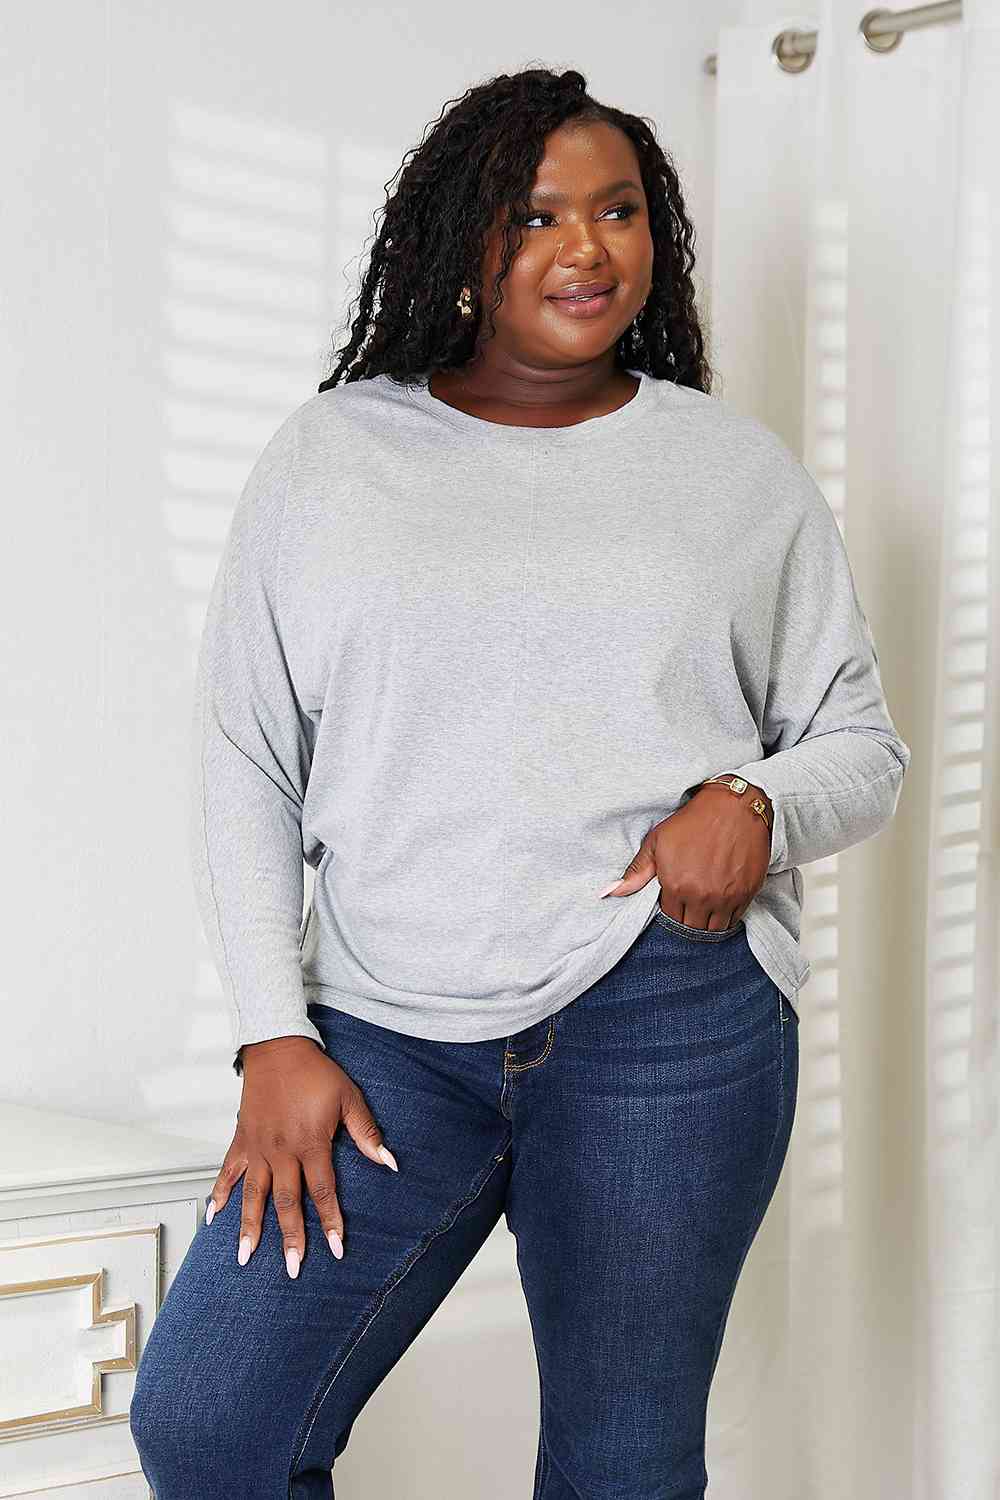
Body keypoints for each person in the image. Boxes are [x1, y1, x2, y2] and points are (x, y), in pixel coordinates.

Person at [129, 66, 910, 1499]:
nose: (586, 248)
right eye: (536, 214)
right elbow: (247, 754)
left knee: (622, 1469)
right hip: (379, 1035)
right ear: (461, 236)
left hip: (664, 1014)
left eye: (619, 210)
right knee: (211, 1423)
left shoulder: (734, 475)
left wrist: (756, 804)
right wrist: (272, 1035)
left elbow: (862, 747)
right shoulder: (333, 456)